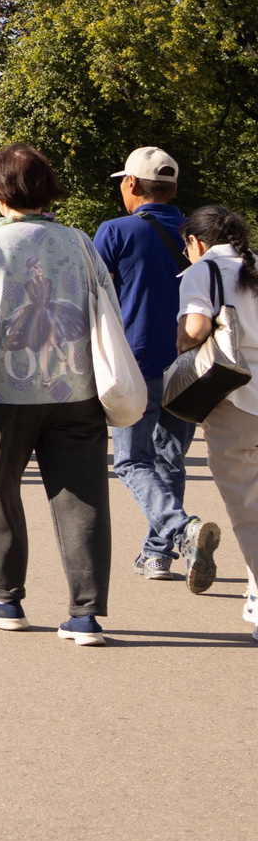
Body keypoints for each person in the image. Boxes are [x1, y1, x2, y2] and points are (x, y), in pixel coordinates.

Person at [0, 144, 120, 645]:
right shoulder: (80, 242)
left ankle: (5, 598)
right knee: (84, 496)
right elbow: (107, 308)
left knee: (2, 490)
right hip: (78, 390)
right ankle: (85, 614)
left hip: (10, 392)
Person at [93, 147, 197, 581]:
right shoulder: (199, 233)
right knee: (170, 461)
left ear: (132, 184)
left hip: (136, 363)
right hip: (192, 366)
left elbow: (92, 294)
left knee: (131, 461)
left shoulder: (116, 231)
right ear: (173, 188)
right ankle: (157, 555)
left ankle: (179, 528)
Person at [177, 204, 258, 638]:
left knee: (247, 505)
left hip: (236, 397)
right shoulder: (254, 264)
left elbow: (194, 328)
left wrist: (177, 352)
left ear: (196, 241)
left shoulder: (203, 271)